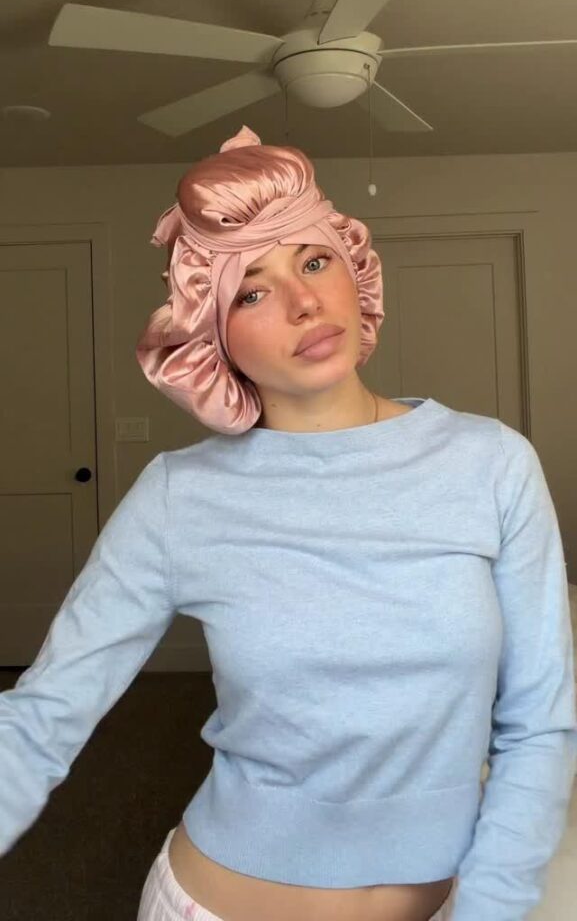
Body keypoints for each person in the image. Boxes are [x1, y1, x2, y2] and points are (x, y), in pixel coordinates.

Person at [0, 125, 575, 921]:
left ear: (352, 268)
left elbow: (539, 724)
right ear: (211, 337)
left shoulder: (490, 462)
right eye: (252, 291)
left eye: (312, 261)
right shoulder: (178, 495)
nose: (305, 302)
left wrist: (491, 908)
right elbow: (42, 719)